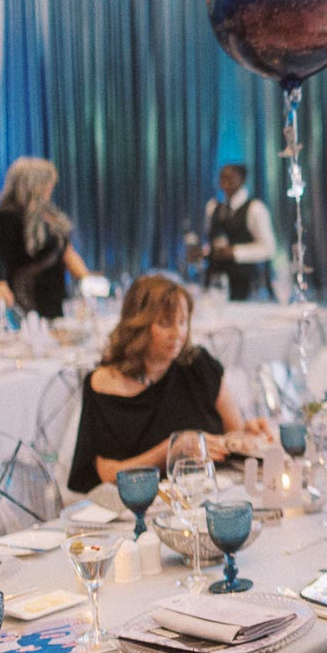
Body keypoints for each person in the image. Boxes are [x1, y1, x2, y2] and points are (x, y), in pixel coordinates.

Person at [67, 274, 275, 493]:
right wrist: (173, 448)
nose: (178, 333)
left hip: (210, 493)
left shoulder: (198, 366)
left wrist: (249, 435)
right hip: (140, 508)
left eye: (182, 322)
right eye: (166, 323)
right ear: (139, 325)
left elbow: (234, 434)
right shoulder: (103, 384)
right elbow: (109, 474)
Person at [0, 157, 91, 319]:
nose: (50, 187)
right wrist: (0, 284)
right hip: (27, 296)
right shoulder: (9, 216)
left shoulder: (50, 214)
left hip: (54, 294)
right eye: (47, 182)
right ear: (33, 184)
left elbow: (67, 252)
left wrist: (88, 281)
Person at [198, 164, 276, 301]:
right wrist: (203, 253)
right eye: (222, 178)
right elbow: (210, 240)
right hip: (217, 283)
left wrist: (235, 252)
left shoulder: (255, 208)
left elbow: (269, 249)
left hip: (246, 283)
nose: (226, 182)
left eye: (231, 178)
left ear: (242, 180)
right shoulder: (213, 207)